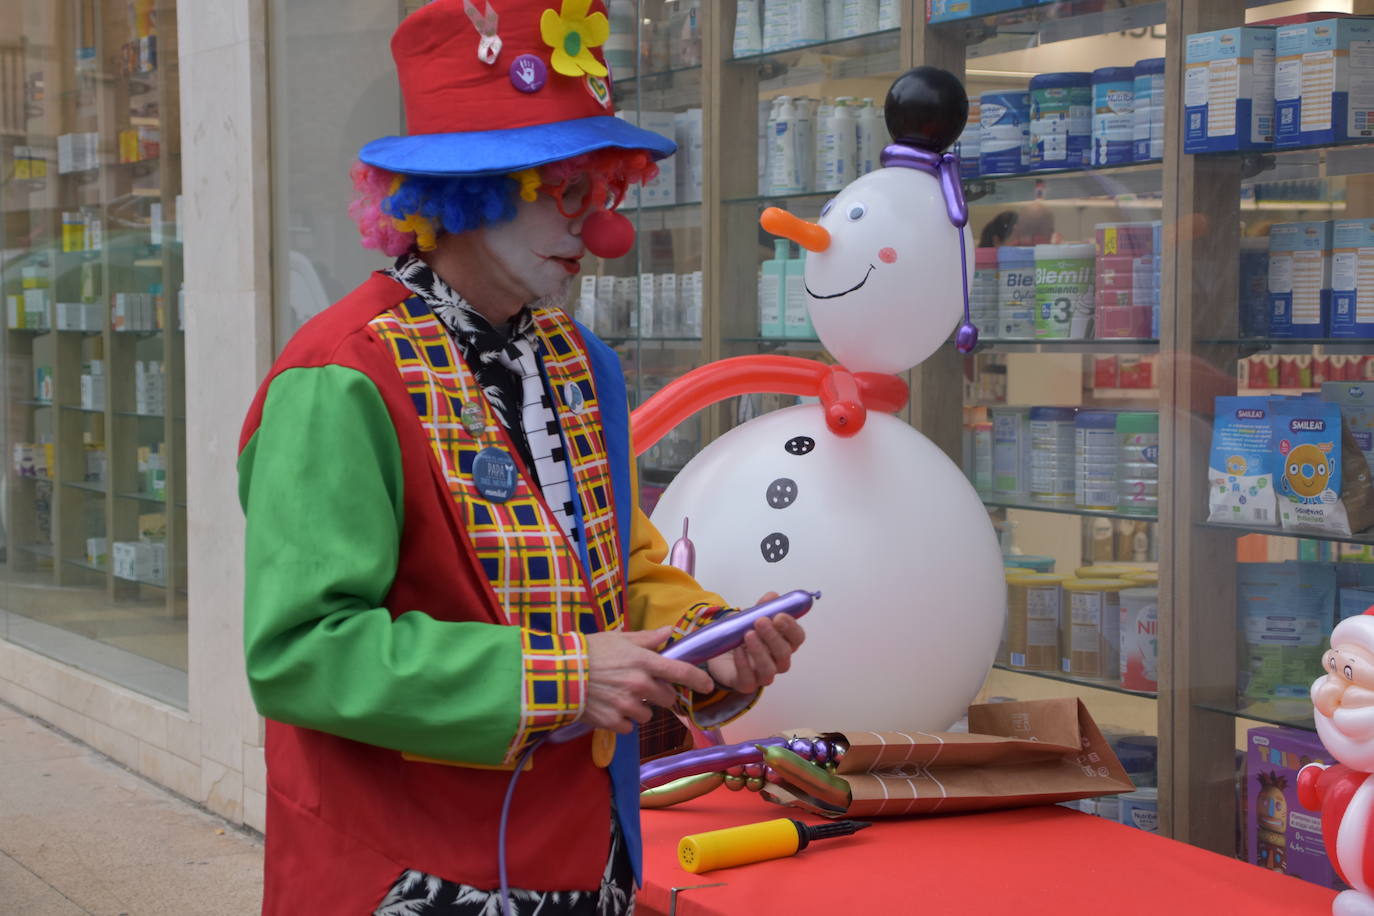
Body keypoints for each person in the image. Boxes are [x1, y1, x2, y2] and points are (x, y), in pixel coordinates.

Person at [237, 2, 805, 914]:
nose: (601, 229)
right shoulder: (341, 375)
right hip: (409, 868)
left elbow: (613, 571)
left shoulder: (582, 361)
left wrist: (710, 640)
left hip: (584, 855)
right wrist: (566, 678)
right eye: (566, 191)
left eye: (603, 190)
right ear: (474, 192)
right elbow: (302, 652)